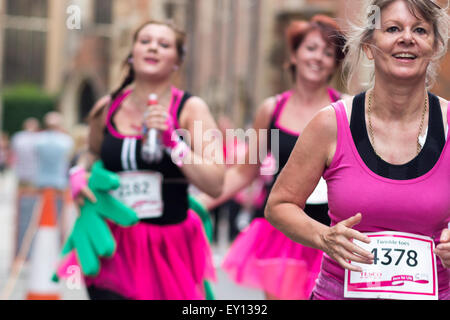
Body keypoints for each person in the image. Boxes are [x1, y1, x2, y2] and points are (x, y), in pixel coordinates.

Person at [266, 0, 450, 300]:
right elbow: (279, 205)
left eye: (420, 30)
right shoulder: (331, 123)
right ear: (367, 46)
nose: (407, 38)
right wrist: (324, 236)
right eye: (392, 28)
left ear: (433, 47)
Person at [70, 20, 224, 300]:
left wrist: (172, 142)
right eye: (145, 41)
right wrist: (77, 173)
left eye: (164, 44)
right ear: (132, 53)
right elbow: (90, 153)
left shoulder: (191, 109)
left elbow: (215, 182)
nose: (153, 47)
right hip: (112, 243)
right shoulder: (106, 107)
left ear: (177, 60)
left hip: (167, 246)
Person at [199, 15, 346, 300]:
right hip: (283, 234)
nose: (318, 58)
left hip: (330, 233)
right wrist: (200, 203)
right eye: (311, 48)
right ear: (294, 54)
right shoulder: (272, 110)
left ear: (335, 63)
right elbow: (245, 172)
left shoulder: (346, 109)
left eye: (328, 53)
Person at [10, 118, 41, 259]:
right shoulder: (38, 139)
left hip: (23, 180)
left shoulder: (18, 138)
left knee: (22, 216)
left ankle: (21, 252)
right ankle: (26, 252)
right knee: (31, 216)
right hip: (33, 181)